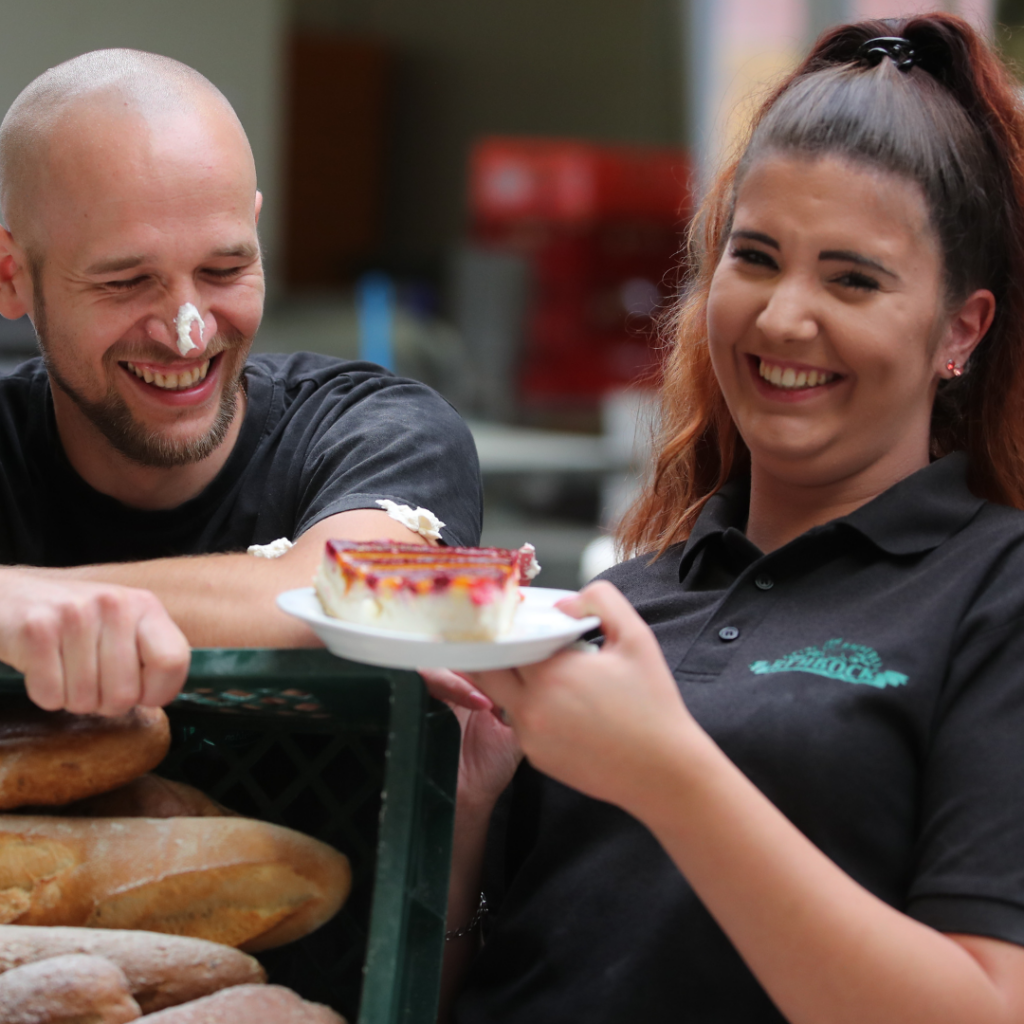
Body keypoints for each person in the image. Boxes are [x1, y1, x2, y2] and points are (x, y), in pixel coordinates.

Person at [429, 14, 1024, 1023]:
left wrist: (665, 771)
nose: (784, 317)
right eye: (755, 258)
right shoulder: (622, 601)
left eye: (852, 278)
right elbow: (464, 975)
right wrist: (465, 808)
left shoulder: (994, 595)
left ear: (957, 330)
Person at [0, 50, 481, 717]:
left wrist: (23, 602)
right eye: (125, 282)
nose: (188, 332)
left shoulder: (383, 433)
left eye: (224, 269)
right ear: (11, 275)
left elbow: (351, 598)